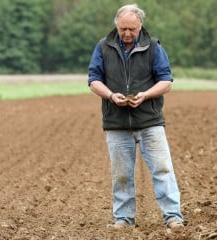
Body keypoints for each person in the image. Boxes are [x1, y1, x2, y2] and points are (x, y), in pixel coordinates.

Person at [87, 4, 184, 230]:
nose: (127, 34)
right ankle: (123, 219)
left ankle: (173, 216)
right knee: (121, 175)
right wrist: (111, 96)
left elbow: (166, 81)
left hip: (149, 121)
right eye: (123, 29)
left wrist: (145, 95)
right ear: (116, 26)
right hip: (117, 123)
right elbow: (93, 80)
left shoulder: (153, 47)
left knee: (162, 169)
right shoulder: (103, 47)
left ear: (140, 26)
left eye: (132, 29)